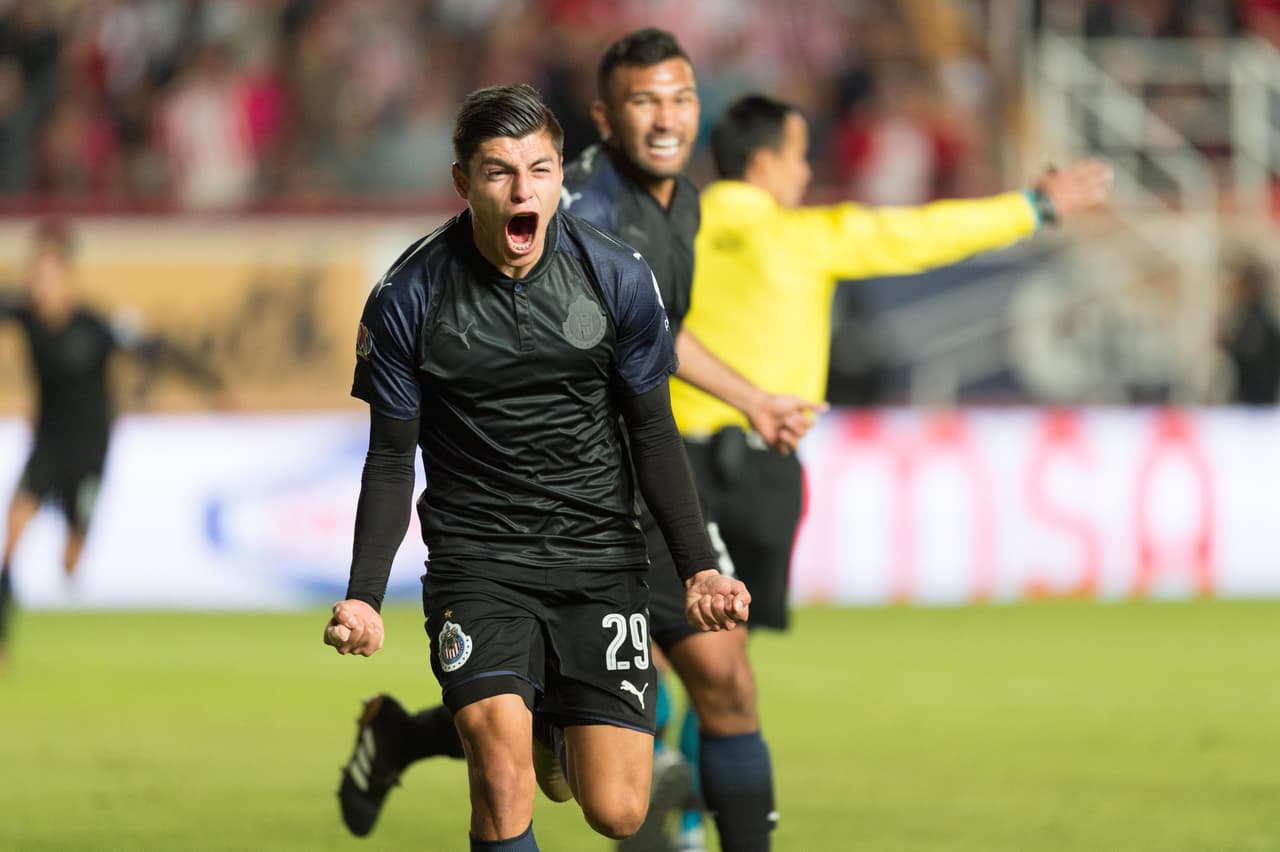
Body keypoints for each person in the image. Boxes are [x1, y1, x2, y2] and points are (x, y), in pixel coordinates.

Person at [333, 30, 816, 852]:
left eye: (539, 170)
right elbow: (389, 458)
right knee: (502, 773)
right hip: (480, 559)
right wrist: (365, 595)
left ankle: (517, 721)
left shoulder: (618, 271)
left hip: (600, 554)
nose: (524, 190)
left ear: (559, 173)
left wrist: (697, 565)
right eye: (499, 172)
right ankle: (523, 724)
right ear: (463, 182)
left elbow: (652, 430)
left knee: (619, 810)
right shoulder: (409, 295)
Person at [670, 93, 1114, 635]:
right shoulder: (804, 239)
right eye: (799, 157)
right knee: (727, 657)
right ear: (763, 164)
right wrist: (1032, 208)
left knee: (667, 635)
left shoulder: (667, 235)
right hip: (761, 464)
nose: (806, 172)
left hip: (666, 463)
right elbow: (923, 233)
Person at [0, 218, 226, 660]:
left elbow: (156, 350)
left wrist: (212, 388)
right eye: (35, 276)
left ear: (67, 278)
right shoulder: (25, 317)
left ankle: (74, 528)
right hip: (45, 448)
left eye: (47, 276)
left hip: (88, 456)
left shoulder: (96, 327)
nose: (39, 286)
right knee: (10, 538)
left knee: (69, 565)